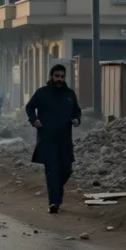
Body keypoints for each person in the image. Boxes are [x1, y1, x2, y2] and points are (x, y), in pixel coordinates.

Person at [25, 64, 82, 214]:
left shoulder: (69, 94)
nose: (59, 79)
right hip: (47, 137)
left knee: (66, 169)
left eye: (62, 77)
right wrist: (34, 120)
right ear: (51, 76)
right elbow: (29, 107)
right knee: (52, 170)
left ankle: (56, 192)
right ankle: (54, 203)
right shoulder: (42, 93)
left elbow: (76, 111)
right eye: (56, 76)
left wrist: (76, 119)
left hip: (64, 139)